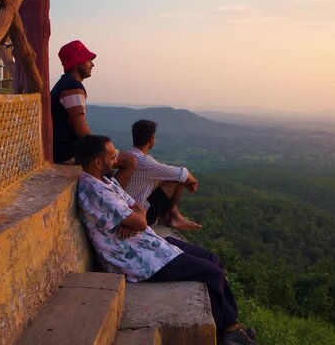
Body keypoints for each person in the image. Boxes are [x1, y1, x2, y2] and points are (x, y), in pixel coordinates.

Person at [75, 135, 256, 345]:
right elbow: (140, 220)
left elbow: (137, 209)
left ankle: (231, 326)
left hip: (145, 243)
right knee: (212, 273)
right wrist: (137, 221)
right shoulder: (95, 191)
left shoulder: (105, 181)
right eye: (112, 155)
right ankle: (224, 335)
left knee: (214, 260)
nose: (116, 158)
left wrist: (137, 219)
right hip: (135, 258)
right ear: (97, 162)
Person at [50, 40, 135, 188]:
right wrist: (103, 149)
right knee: (129, 161)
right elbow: (81, 130)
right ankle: (115, 199)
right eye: (88, 60)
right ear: (76, 62)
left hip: (60, 147)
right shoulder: (73, 87)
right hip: (66, 150)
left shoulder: (64, 84)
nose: (92, 64)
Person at [126, 120, 202, 230]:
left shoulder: (128, 156)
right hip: (140, 217)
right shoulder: (146, 163)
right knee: (178, 180)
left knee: (169, 177)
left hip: (127, 211)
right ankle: (167, 218)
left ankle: (176, 216)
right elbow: (184, 174)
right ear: (152, 138)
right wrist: (193, 181)